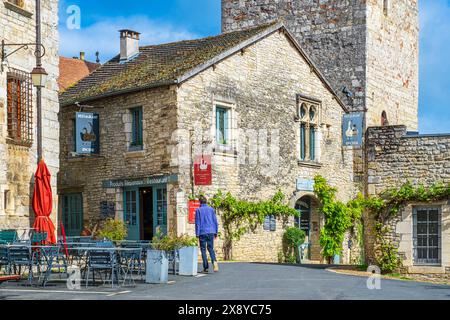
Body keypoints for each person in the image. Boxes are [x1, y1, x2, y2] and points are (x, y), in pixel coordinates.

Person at [195, 195, 219, 273]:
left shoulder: (198, 210)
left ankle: (205, 268)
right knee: (210, 248)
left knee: (203, 250)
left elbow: (197, 223)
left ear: (200, 202)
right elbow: (215, 221)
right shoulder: (211, 209)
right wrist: (216, 232)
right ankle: (214, 261)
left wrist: (197, 234)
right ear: (206, 201)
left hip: (202, 232)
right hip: (211, 231)